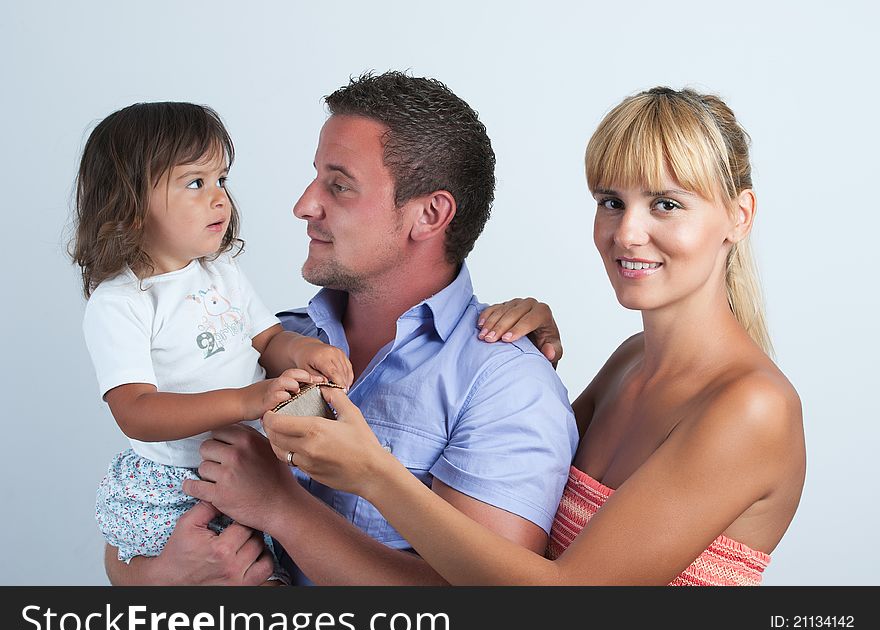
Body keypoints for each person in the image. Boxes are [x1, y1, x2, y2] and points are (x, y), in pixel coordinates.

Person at [259, 87, 807, 585]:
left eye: (666, 203)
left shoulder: (752, 409)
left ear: (740, 215)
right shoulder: (631, 362)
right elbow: (525, 472)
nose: (627, 233)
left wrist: (374, 475)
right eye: (611, 201)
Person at [105, 73, 579, 585]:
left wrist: (282, 508)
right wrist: (161, 577)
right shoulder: (266, 338)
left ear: (430, 214)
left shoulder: (507, 386)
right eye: (314, 178)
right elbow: (135, 521)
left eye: (339, 185)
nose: (304, 205)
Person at [71, 101, 353, 585]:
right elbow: (134, 410)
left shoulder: (221, 272)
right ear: (130, 203)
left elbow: (268, 340)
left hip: (247, 466)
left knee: (267, 570)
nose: (220, 199)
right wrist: (247, 400)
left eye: (221, 180)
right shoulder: (121, 303)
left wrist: (305, 351)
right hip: (174, 483)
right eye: (195, 183)